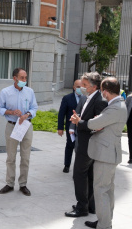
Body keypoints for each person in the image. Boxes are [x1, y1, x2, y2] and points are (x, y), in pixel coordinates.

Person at [70, 77, 127, 229]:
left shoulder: (115, 107)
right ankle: (105, 222)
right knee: (107, 190)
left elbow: (94, 124)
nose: (102, 93)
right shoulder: (118, 104)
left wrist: (79, 121)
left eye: (102, 90)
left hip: (105, 154)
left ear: (106, 92)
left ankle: (104, 225)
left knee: (101, 190)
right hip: (109, 153)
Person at [65, 72, 107, 218]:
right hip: (84, 141)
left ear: (94, 86)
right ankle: (89, 205)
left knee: (79, 174)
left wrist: (79, 123)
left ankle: (82, 207)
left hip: (89, 143)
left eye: (84, 85)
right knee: (88, 174)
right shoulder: (88, 97)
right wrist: (77, 119)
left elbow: (98, 125)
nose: (82, 88)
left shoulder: (100, 100)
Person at [0, 68, 38, 196]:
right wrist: (11, 112)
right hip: (12, 126)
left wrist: (27, 114)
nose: (24, 80)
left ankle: (23, 184)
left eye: (25, 78)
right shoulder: (5, 92)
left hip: (26, 126)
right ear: (15, 78)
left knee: (25, 157)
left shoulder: (30, 92)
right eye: (22, 78)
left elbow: (34, 107)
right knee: (11, 157)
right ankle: (9, 183)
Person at [57, 79, 82, 173]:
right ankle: (67, 165)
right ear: (74, 87)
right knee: (70, 145)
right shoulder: (67, 98)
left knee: (80, 147)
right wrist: (60, 128)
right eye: (78, 87)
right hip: (70, 127)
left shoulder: (86, 98)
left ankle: (79, 167)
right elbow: (61, 114)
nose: (80, 89)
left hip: (82, 126)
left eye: (81, 87)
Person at [125, 94, 132, 164]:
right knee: (130, 139)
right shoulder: (129, 97)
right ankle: (131, 157)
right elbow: (125, 109)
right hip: (130, 122)